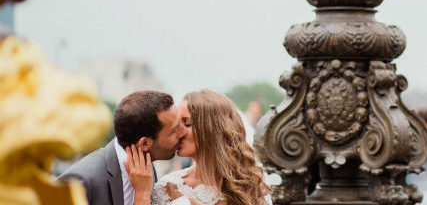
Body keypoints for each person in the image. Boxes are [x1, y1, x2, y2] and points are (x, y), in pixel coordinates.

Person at [126, 89, 271, 205]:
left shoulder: (250, 184)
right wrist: (142, 196)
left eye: (187, 123)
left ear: (211, 130)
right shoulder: (166, 188)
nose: (178, 132)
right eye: (177, 123)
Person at [58, 90, 186, 205]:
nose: (182, 133)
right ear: (145, 144)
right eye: (174, 131)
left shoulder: (146, 167)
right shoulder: (79, 182)